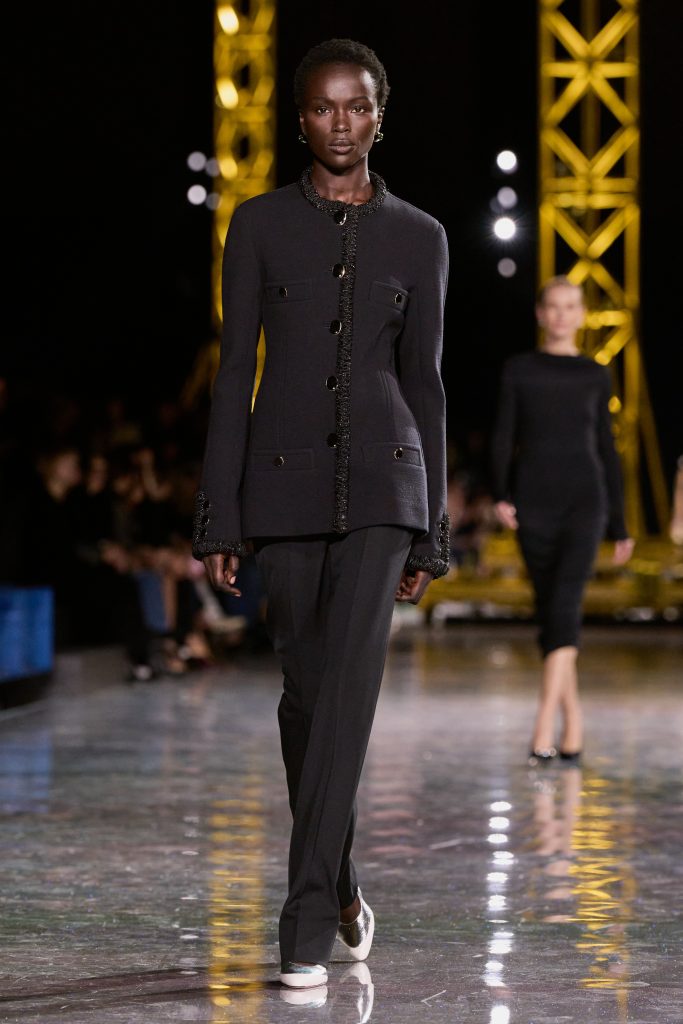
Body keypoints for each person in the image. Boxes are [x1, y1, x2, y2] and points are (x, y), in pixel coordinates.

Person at [192, 38, 450, 989]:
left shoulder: (420, 235)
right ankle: (339, 886)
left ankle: (301, 926)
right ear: (298, 118)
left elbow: (425, 383)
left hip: (386, 484)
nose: (340, 123)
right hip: (282, 482)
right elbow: (233, 375)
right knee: (304, 698)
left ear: (381, 115)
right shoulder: (258, 225)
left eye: (357, 106)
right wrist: (220, 513)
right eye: (322, 107)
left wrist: (432, 527)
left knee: (345, 694)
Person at [490, 276, 634, 766]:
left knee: (565, 607)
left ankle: (542, 727)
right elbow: (504, 434)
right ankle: (574, 724)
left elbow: (606, 448)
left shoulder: (595, 374)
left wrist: (620, 523)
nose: (562, 315)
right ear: (540, 313)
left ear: (582, 314)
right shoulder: (519, 369)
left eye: (571, 306)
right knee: (550, 611)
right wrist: (500, 494)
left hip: (585, 504)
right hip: (534, 503)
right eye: (553, 306)